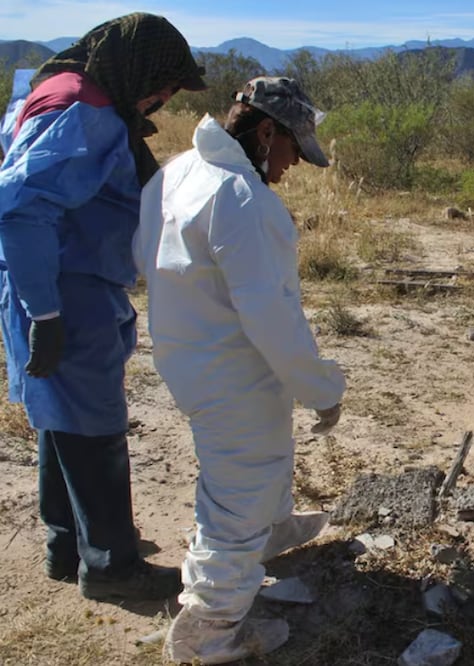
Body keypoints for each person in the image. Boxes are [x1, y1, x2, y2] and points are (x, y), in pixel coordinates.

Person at [133, 77, 346, 663]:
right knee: (241, 487)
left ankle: (271, 531)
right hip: (235, 370)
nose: (293, 165)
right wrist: (321, 387)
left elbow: (142, 255)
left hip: (189, 356)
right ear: (266, 130)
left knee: (257, 458)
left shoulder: (177, 171)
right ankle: (212, 627)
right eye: (292, 150)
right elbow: (271, 315)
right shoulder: (242, 196)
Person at [0, 13, 206, 602]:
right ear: (135, 65)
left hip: (52, 280)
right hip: (66, 288)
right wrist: (45, 312)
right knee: (96, 424)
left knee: (61, 416)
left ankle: (70, 545)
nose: (162, 99)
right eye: (163, 84)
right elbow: (18, 207)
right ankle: (112, 566)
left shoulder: (54, 87)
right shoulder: (84, 113)